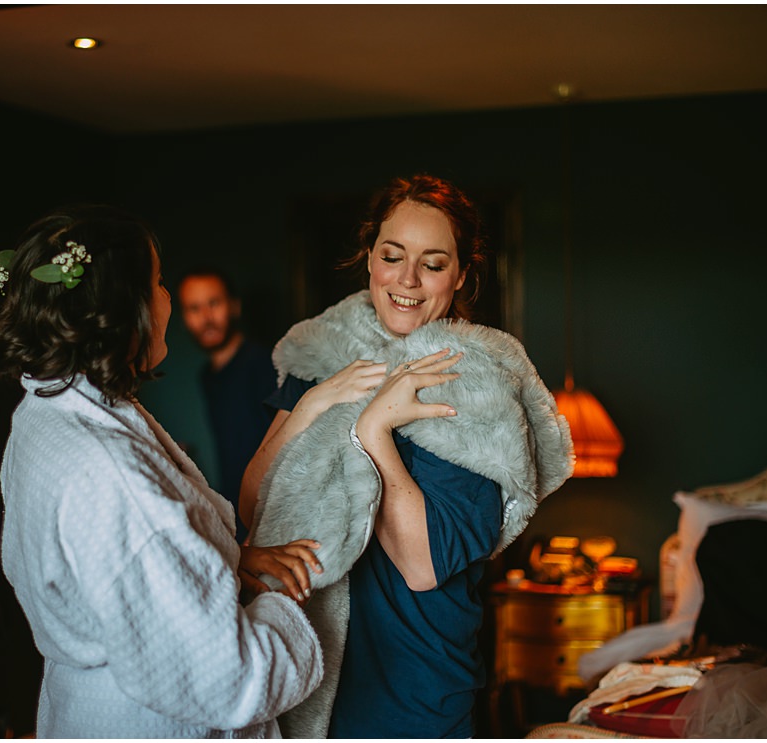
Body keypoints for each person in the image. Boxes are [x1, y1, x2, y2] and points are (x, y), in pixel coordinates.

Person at [239, 175, 575, 738]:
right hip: (306, 674)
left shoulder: (475, 384)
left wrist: (371, 431)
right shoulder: (327, 352)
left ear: (462, 274)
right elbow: (255, 505)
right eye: (392, 256)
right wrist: (313, 404)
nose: (408, 280)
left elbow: (422, 567)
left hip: (411, 691)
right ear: (369, 257)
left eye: (434, 263)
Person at [0, 204, 324, 738]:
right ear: (126, 308)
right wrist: (290, 605)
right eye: (160, 282)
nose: (167, 299)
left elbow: (115, 575)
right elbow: (229, 682)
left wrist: (227, 561)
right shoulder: (117, 483)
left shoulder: (43, 413)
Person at [177, 268, 276, 542]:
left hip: (273, 522)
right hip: (237, 522)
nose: (206, 318)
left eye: (214, 303)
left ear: (234, 306)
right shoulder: (207, 377)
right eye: (194, 308)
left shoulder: (267, 365)